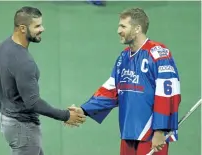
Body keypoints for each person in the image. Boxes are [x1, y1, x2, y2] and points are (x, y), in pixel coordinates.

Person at [67, 8, 181, 155]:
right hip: (128, 132)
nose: (118, 31)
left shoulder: (158, 54)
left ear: (137, 29)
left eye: (123, 26)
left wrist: (160, 130)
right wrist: (84, 110)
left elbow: (169, 94)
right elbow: (110, 91)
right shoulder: (123, 57)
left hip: (151, 136)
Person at [0, 6, 86, 155]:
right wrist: (66, 115)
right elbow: (33, 102)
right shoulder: (24, 62)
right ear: (22, 28)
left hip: (7, 119)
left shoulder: (1, 47)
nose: (42, 29)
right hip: (22, 128)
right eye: (37, 26)